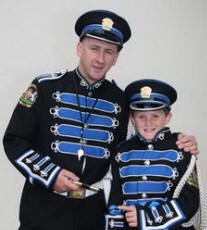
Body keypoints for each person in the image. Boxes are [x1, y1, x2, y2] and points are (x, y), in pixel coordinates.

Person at [3, 9, 198, 230]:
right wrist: (51, 175)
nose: (100, 58)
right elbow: (15, 140)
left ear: (116, 58)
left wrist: (180, 141)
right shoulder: (45, 87)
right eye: (94, 48)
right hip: (42, 210)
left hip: (94, 214)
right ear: (79, 48)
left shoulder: (122, 100)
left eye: (109, 52)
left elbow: (144, 140)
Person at [106, 79, 200, 230]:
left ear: (167, 118)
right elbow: (115, 201)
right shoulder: (121, 152)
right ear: (133, 119)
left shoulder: (183, 148)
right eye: (141, 117)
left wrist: (146, 217)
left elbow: (190, 201)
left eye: (155, 116)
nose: (148, 123)